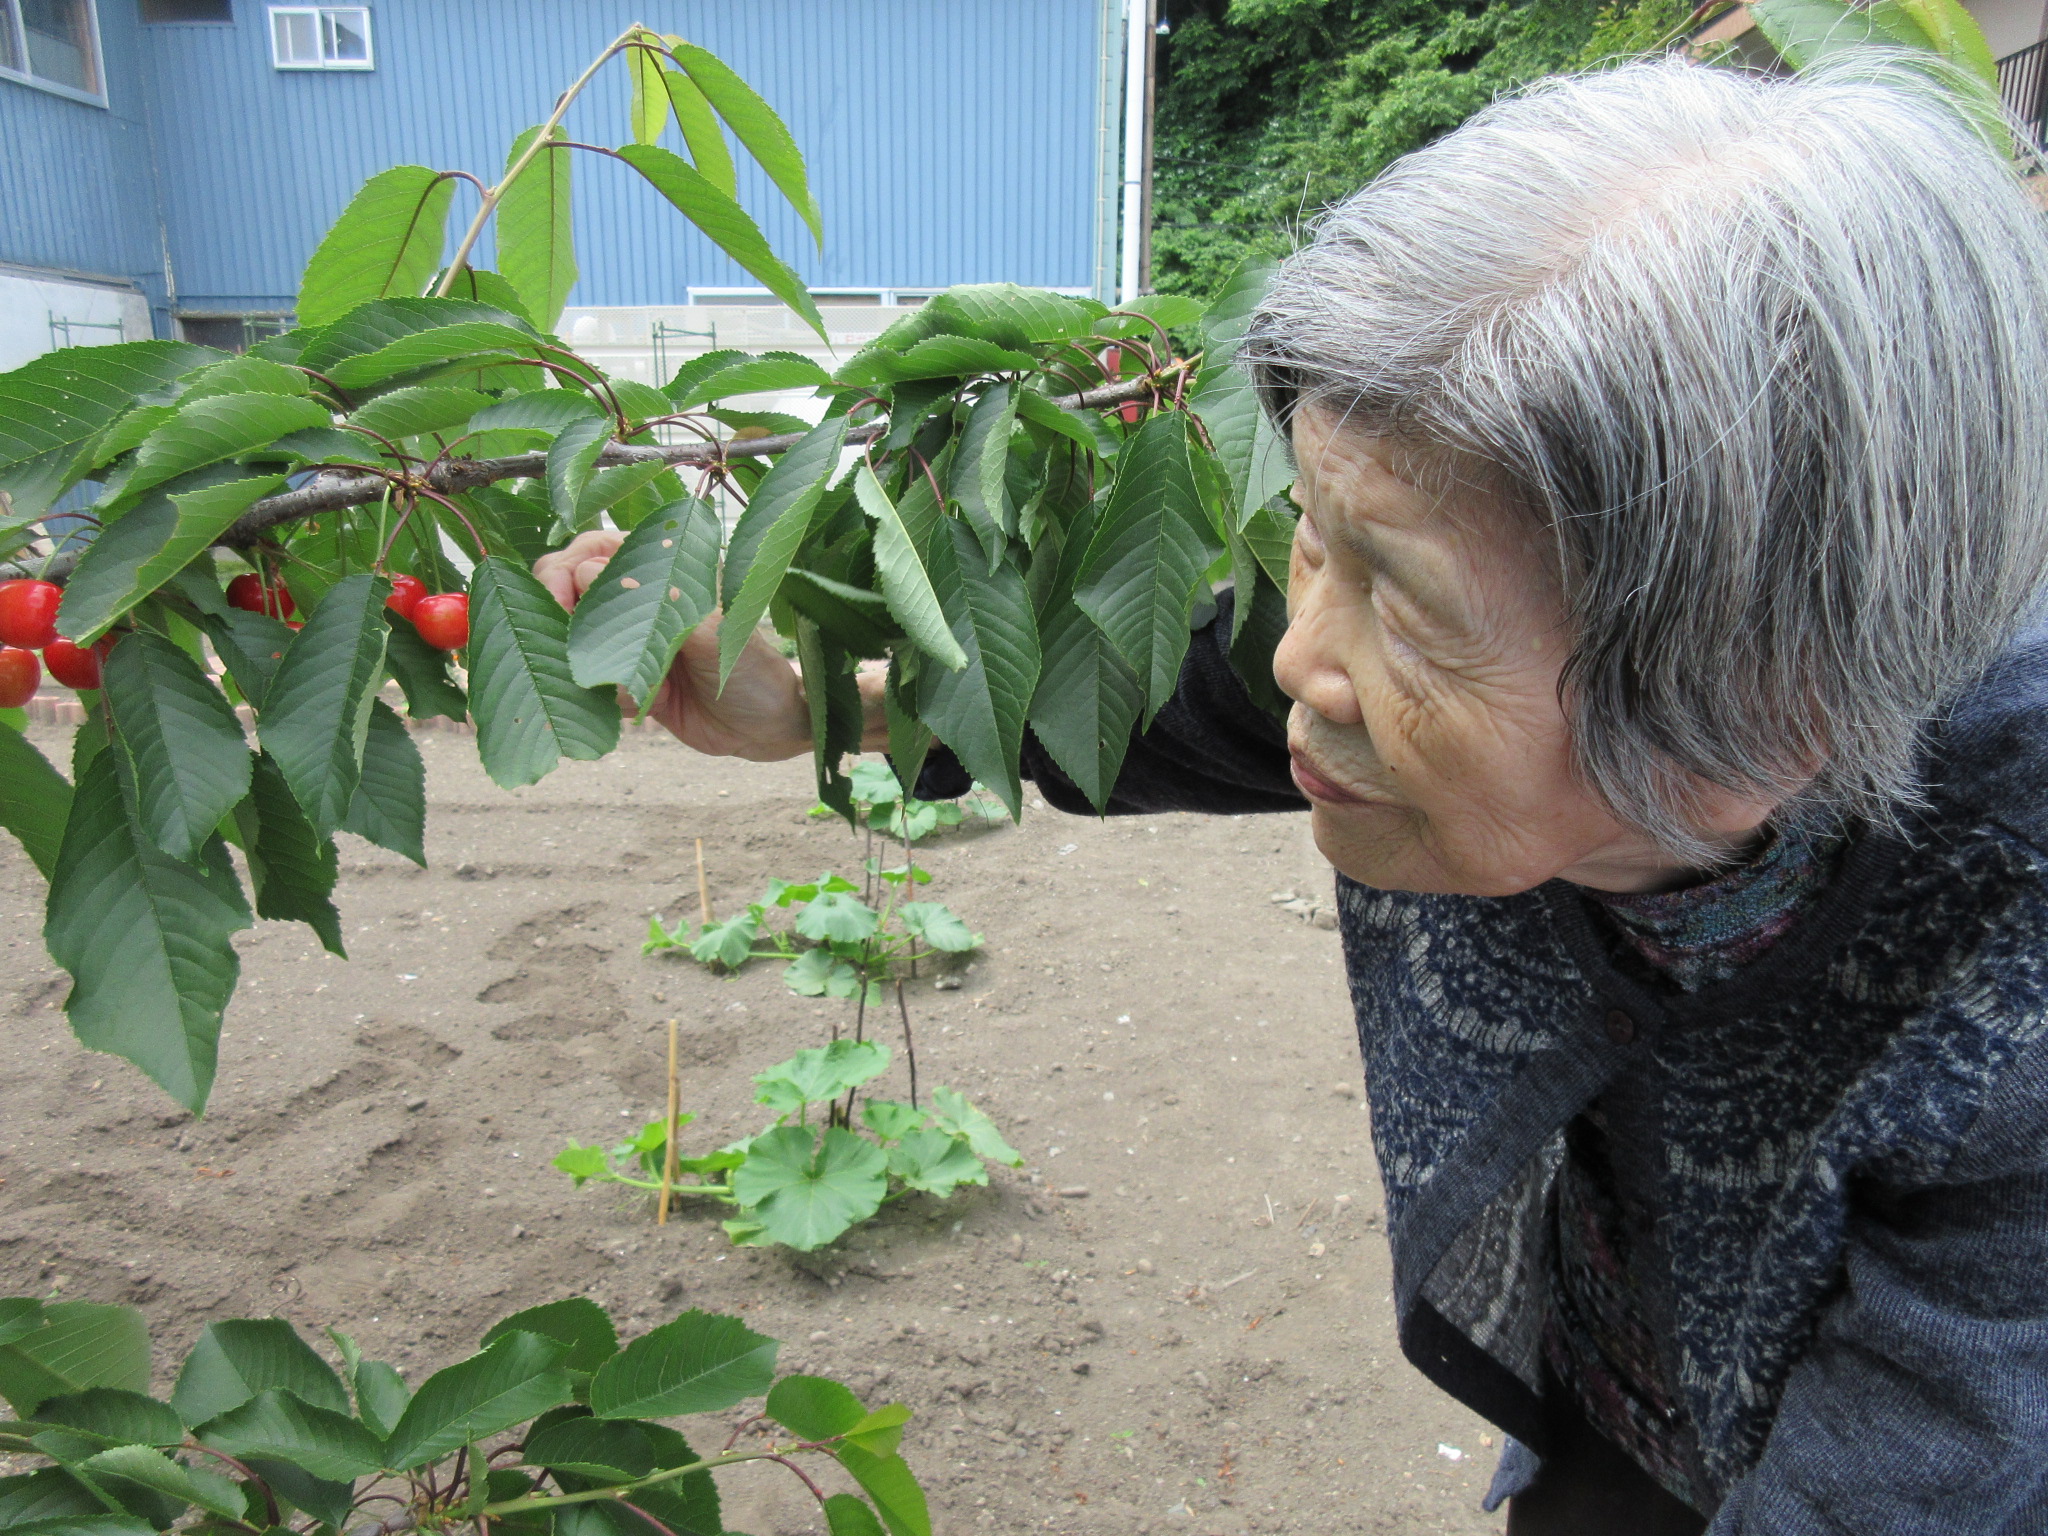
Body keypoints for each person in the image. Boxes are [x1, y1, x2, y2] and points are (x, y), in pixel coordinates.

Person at [538, 55, 2048, 1534]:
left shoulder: (2014, 945)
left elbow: (1919, 1458)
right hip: (1616, 1390)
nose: (1294, 656)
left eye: (1403, 598)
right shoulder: (1431, 679)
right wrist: (824, 706)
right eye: (1312, 534)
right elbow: (1158, 712)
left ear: (1760, 707)